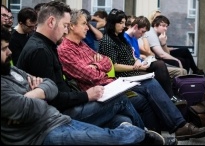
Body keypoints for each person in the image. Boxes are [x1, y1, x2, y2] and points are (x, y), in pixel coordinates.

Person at [1, 26, 166, 145]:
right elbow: (33, 107)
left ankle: (147, 132)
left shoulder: (11, 70)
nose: (9, 52)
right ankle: (145, 135)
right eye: (4, 49)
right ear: (54, 23)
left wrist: (35, 93)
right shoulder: (48, 50)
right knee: (124, 103)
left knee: (123, 117)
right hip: (41, 132)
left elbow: (51, 85)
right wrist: (39, 93)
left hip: (57, 118)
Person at [15, 1, 157, 141]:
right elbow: (55, 99)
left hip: (67, 103)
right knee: (120, 100)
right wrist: (87, 96)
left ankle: (144, 136)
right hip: (58, 115)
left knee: (122, 119)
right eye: (65, 26)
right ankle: (146, 139)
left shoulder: (46, 45)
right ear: (51, 22)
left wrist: (95, 67)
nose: (66, 31)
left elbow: (107, 63)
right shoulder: (40, 51)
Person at [97, 9, 205, 140]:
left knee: (153, 81)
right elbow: (113, 66)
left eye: (124, 22)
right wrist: (133, 66)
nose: (123, 26)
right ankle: (180, 126)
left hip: (133, 75)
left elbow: (131, 54)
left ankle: (171, 129)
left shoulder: (120, 38)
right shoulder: (107, 41)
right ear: (113, 23)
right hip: (122, 79)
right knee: (151, 84)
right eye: (121, 23)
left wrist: (135, 60)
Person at [124, 15, 187, 101]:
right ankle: (170, 96)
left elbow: (136, 54)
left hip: (142, 62)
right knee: (160, 64)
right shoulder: (125, 38)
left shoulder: (134, 37)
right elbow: (133, 56)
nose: (142, 35)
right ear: (135, 27)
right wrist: (139, 59)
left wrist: (140, 58)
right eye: (142, 32)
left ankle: (175, 96)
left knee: (166, 65)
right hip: (135, 67)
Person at [146, 15, 205, 79]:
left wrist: (163, 43)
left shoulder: (159, 35)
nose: (165, 28)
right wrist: (177, 60)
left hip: (159, 56)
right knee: (182, 60)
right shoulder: (152, 34)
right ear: (155, 24)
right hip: (155, 60)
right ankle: (186, 79)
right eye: (163, 26)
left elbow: (166, 52)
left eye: (166, 26)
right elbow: (162, 54)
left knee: (186, 55)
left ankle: (186, 81)